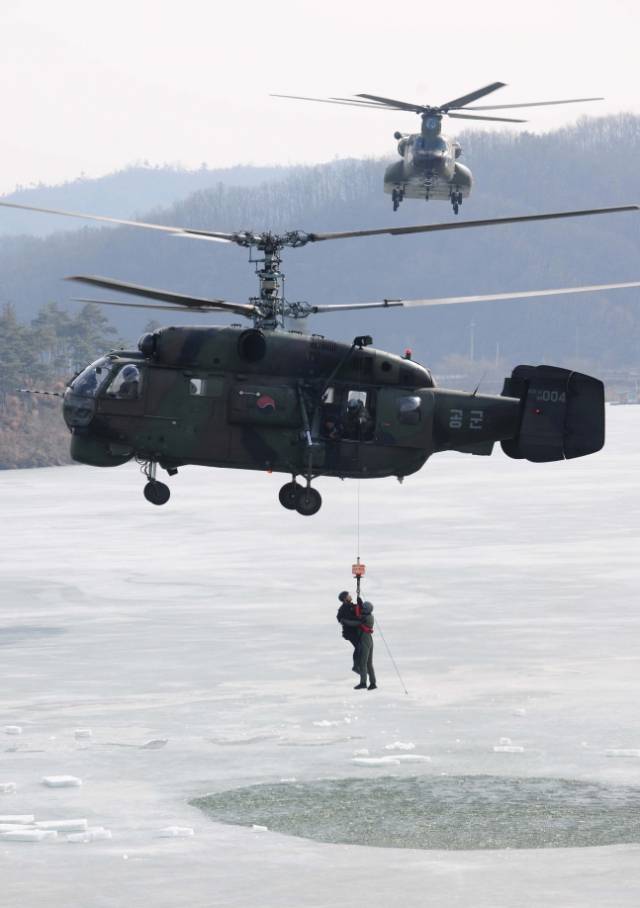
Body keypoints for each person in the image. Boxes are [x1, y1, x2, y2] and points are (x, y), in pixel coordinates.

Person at [341, 600, 377, 691]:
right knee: (369, 663)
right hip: (369, 640)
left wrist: (344, 621)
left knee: (363, 663)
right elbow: (358, 615)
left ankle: (363, 683)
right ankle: (373, 683)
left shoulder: (365, 618)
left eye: (363, 608)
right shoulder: (369, 616)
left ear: (366, 610)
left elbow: (355, 623)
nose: (362, 609)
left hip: (364, 640)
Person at [336, 591, 360, 674]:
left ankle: (357, 665)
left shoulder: (350, 605)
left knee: (360, 647)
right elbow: (349, 618)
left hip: (354, 631)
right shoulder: (344, 607)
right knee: (359, 647)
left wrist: (359, 603)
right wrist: (360, 620)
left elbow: (356, 608)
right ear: (345, 598)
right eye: (348, 595)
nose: (350, 596)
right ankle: (356, 666)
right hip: (349, 632)